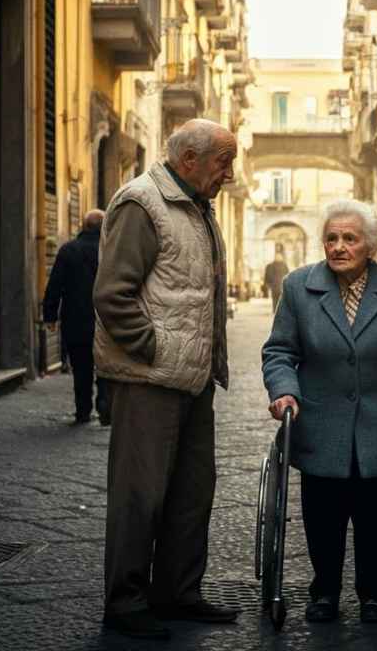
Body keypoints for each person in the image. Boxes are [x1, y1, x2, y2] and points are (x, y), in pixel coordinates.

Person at [92, 119, 239, 640]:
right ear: (189, 160)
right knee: (140, 494)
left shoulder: (196, 206)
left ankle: (177, 592)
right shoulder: (142, 203)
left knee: (192, 491)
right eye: (224, 161)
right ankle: (126, 602)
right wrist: (158, 349)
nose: (230, 173)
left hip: (193, 377)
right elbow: (113, 295)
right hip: (150, 377)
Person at [262, 199, 377, 625]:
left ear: (370, 246)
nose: (338, 246)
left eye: (350, 239)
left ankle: (375, 592)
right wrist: (284, 391)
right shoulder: (299, 287)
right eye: (332, 238)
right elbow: (279, 351)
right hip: (319, 424)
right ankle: (324, 591)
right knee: (323, 517)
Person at [43, 209, 107, 425]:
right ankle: (105, 406)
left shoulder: (68, 250)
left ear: (83, 225)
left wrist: (50, 315)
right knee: (107, 366)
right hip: (106, 321)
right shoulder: (111, 250)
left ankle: (83, 411)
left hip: (75, 321)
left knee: (81, 368)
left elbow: (55, 285)